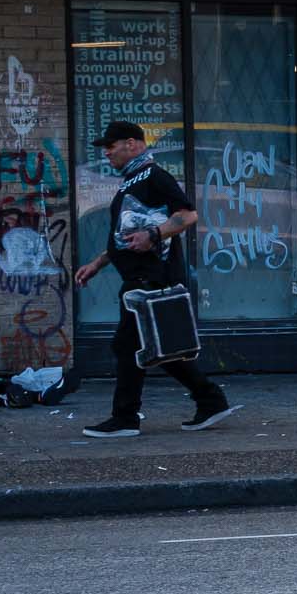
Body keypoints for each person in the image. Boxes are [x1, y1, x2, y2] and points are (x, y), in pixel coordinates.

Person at [73, 120, 239, 438]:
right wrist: (99, 262)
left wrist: (154, 233)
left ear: (133, 144)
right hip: (138, 276)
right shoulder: (130, 181)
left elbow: (188, 215)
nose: (106, 152)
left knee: (130, 346)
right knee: (153, 346)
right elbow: (126, 235)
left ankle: (125, 418)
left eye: (112, 145)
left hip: (150, 278)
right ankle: (209, 399)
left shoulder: (154, 176)